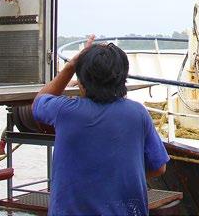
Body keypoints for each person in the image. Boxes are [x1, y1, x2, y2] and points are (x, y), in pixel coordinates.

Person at [32, 37, 169, 215]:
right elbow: (159, 167)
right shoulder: (138, 113)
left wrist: (71, 66)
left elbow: (38, 103)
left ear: (81, 81)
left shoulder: (64, 110)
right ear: (123, 79)